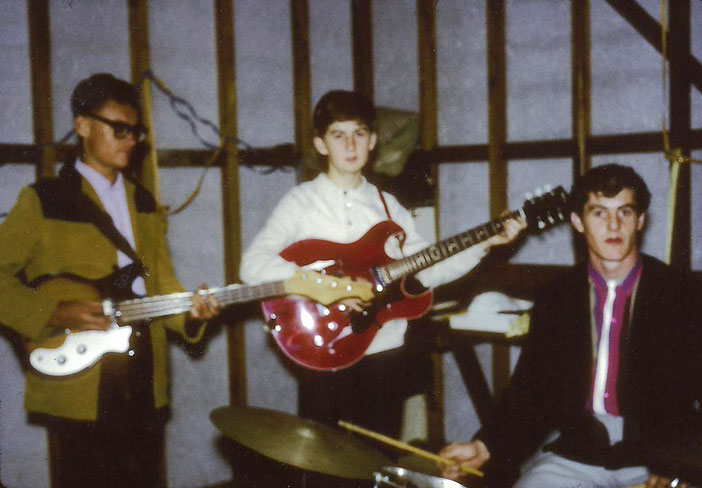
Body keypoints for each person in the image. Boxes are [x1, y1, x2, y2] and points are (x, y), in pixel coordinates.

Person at [240, 90, 526, 441]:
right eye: (338, 134)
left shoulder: (389, 208)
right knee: (325, 469)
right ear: (320, 144)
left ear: (372, 141)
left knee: (379, 462)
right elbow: (252, 266)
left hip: (385, 355)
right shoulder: (300, 203)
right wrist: (327, 287)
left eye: (359, 133)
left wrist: (485, 243)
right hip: (322, 353)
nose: (349, 145)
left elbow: (428, 268)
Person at [0, 73, 220, 488]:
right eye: (119, 129)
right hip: (80, 381)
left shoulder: (143, 201)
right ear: (82, 126)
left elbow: (163, 287)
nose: (131, 139)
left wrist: (192, 316)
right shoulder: (44, 199)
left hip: (144, 375)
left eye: (135, 130)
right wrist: (52, 311)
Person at [439, 164, 702, 488]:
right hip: (578, 455)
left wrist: (678, 467)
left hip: (656, 460)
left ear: (640, 220)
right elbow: (530, 390)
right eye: (598, 213)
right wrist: (482, 446)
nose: (613, 225)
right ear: (578, 222)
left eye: (624, 212)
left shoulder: (679, 292)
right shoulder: (557, 298)